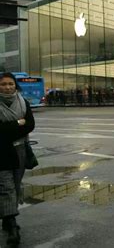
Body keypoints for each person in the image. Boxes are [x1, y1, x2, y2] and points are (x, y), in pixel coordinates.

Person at [0, 72, 35, 246]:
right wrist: (17, 124)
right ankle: (13, 225)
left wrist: (9, 129)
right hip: (1, 152)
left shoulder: (23, 102)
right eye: (3, 84)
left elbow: (30, 124)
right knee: (6, 187)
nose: (7, 87)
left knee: (14, 183)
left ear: (15, 85)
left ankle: (7, 218)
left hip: (20, 150)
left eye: (10, 84)